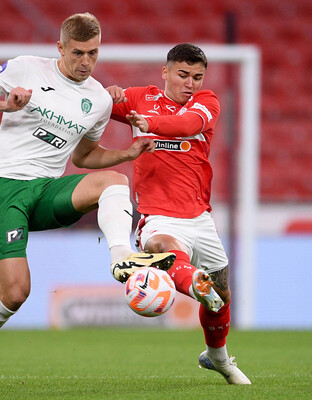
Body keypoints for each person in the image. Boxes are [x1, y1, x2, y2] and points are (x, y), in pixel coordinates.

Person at [0, 13, 175, 389]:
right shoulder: (27, 67)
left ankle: (121, 256)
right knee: (16, 292)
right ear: (60, 47)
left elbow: (84, 157)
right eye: (78, 53)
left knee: (113, 181)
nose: (86, 62)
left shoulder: (98, 99)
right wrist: (5, 105)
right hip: (1, 189)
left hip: (45, 189)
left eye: (93, 53)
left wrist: (125, 154)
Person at [106, 43, 251, 384]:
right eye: (183, 75)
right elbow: (91, 105)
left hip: (199, 218)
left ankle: (217, 357)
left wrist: (150, 123)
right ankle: (192, 281)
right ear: (165, 72)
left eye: (197, 77)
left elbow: (187, 124)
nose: (190, 83)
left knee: (221, 298)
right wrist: (106, 94)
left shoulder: (207, 102)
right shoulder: (140, 98)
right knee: (163, 246)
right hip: (157, 215)